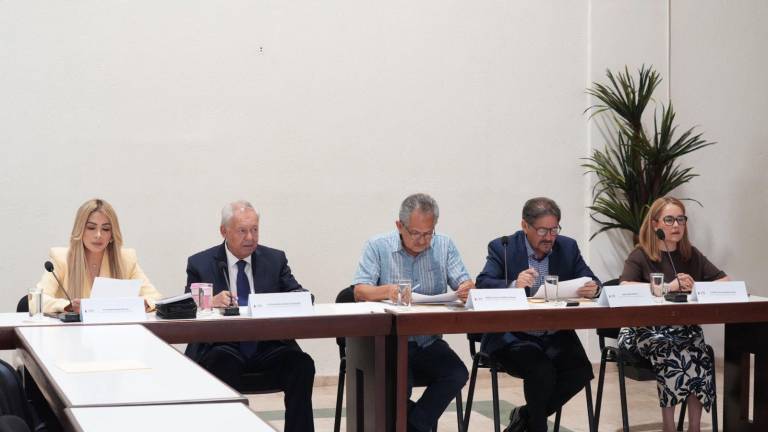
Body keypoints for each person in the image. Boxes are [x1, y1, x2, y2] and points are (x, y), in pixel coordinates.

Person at [184, 200, 315, 432]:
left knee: (301, 365)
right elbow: (186, 308)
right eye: (242, 231)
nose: (251, 237)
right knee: (221, 363)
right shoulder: (200, 263)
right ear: (224, 231)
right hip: (223, 347)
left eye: (255, 230)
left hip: (268, 346)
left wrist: (288, 300)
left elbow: (299, 294)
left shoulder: (275, 259)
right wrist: (210, 302)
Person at [476, 197, 599, 432]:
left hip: (554, 334)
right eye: (543, 230)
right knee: (541, 371)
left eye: (554, 230)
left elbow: (591, 279)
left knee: (580, 372)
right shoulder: (503, 247)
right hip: (513, 336)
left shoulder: (568, 247)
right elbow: (482, 284)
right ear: (525, 225)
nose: (549, 237)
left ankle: (525, 417)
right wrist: (513, 285)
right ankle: (537, 427)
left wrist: (594, 288)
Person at [352, 193, 472, 432]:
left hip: (428, 341)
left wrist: (467, 288)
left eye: (428, 233)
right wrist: (388, 290)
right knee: (399, 384)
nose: (422, 240)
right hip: (390, 342)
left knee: (456, 373)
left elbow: (464, 281)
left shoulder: (444, 245)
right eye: (416, 233)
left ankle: (412, 425)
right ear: (400, 226)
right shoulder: (378, 246)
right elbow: (359, 291)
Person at [618, 197, 727, 432]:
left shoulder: (690, 254)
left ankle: (694, 428)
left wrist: (696, 287)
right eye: (669, 220)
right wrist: (668, 287)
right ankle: (669, 427)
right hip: (643, 331)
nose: (676, 225)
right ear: (655, 224)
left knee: (699, 354)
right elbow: (624, 287)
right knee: (672, 350)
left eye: (680, 219)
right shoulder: (641, 254)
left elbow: (724, 281)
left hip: (683, 329)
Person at [37, 198, 161, 314]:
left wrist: (145, 304)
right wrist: (68, 306)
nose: (98, 235)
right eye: (91, 228)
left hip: (113, 328)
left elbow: (155, 298)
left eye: (105, 229)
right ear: (80, 230)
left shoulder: (126, 259)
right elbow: (37, 300)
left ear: (112, 235)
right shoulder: (61, 259)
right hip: (73, 329)